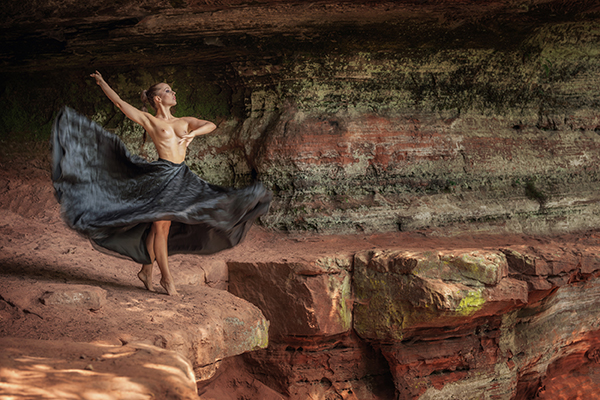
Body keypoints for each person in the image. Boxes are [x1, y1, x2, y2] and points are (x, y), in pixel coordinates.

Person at [51, 71, 271, 296]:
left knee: (167, 225)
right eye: (168, 90)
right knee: (161, 228)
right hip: (163, 176)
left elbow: (210, 125)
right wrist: (102, 83)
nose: (173, 93)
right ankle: (167, 280)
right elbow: (119, 103)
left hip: (182, 178)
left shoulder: (184, 121)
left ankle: (147, 270)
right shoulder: (151, 121)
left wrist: (194, 134)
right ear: (157, 99)